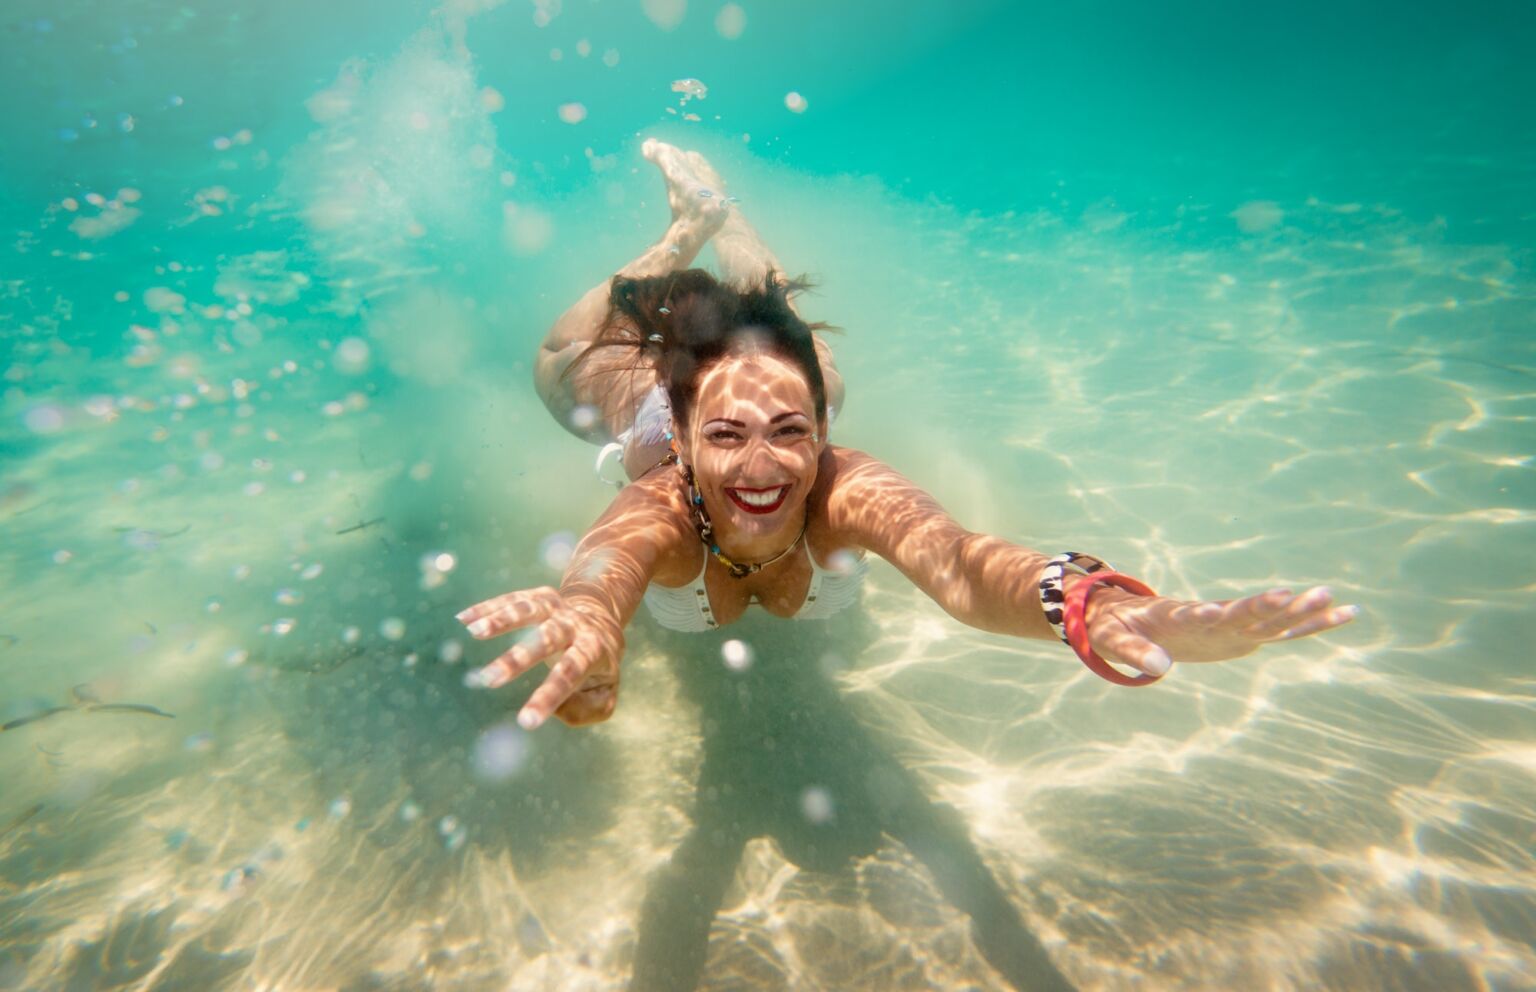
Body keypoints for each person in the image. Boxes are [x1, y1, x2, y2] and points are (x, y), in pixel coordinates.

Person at [455, 139, 1358, 729]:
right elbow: (607, 565)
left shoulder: (839, 482)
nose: (766, 470)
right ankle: (686, 230)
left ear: (818, 431)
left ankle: (737, 232)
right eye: (727, 437)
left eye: (792, 432)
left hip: (768, 389)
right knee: (564, 355)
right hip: (649, 396)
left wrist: (1095, 608)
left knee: (776, 321)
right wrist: (586, 615)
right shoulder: (661, 494)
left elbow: (962, 567)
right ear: (686, 442)